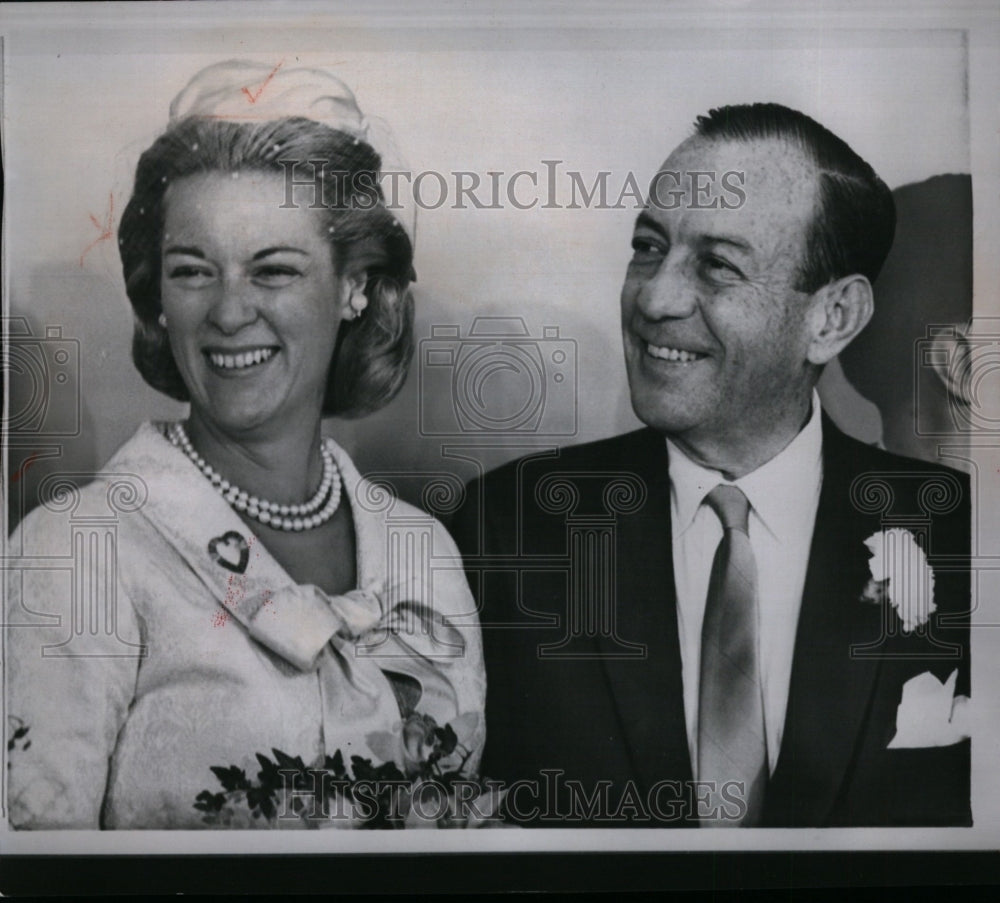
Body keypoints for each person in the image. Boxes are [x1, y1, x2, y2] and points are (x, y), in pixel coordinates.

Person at [451, 103, 971, 828]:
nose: (655, 298)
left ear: (833, 318)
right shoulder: (506, 524)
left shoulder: (963, 536)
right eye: (647, 247)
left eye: (718, 266)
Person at [5, 61, 485, 829]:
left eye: (274, 270)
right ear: (157, 297)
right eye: (192, 270)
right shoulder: (79, 551)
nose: (229, 312)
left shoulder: (423, 554)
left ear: (354, 285)